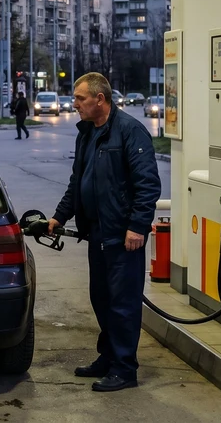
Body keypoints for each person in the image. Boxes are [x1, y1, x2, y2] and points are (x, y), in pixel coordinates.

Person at [47, 72, 162, 392]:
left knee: (123, 303)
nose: (75, 104)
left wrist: (137, 227)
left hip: (123, 236)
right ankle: (109, 356)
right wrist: (59, 216)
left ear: (100, 99)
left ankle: (125, 369)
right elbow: (77, 182)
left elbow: (148, 185)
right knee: (101, 299)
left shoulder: (130, 132)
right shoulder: (87, 133)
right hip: (96, 233)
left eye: (80, 99)